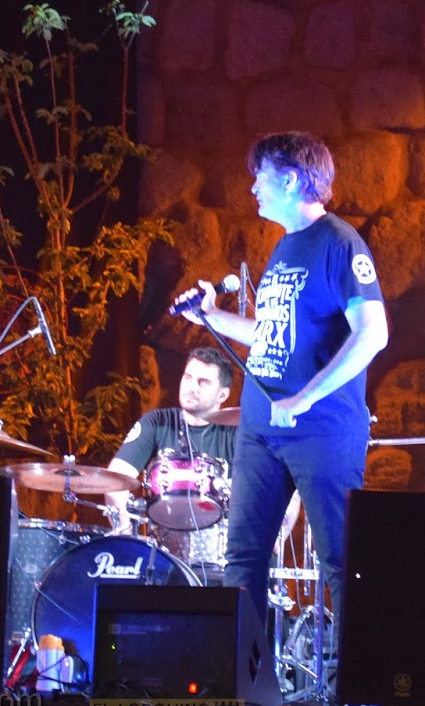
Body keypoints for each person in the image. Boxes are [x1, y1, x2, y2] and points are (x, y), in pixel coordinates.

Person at [177, 130, 388, 642]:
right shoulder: (285, 247)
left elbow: (373, 333)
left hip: (321, 428)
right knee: (243, 558)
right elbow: (272, 334)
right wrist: (210, 316)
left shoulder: (340, 243)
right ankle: (245, 680)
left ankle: (355, 682)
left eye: (261, 175)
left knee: (341, 561)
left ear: (291, 180)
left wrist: (305, 397)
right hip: (261, 429)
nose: (253, 186)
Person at [105, 347, 237, 537]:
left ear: (222, 395)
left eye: (203, 382)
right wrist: (125, 538)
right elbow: (115, 480)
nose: (192, 387)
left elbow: (268, 491)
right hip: (162, 546)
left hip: (222, 547)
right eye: (188, 377)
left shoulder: (236, 435)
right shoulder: (156, 422)